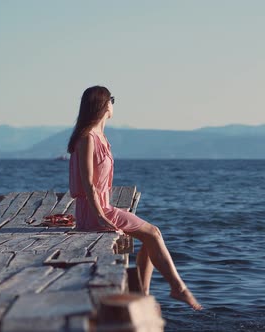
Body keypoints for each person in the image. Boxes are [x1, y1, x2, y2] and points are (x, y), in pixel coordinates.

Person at [67, 85, 202, 310]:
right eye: (111, 99)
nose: (113, 104)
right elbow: (89, 182)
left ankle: (144, 293)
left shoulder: (101, 137)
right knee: (153, 233)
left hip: (102, 207)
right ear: (103, 104)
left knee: (150, 234)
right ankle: (177, 288)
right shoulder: (87, 138)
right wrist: (100, 217)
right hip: (93, 212)